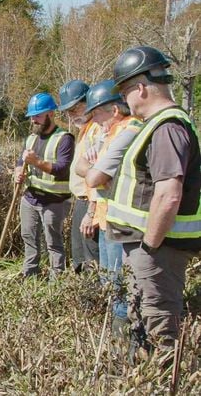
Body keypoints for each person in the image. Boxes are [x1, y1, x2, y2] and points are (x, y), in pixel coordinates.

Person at [106, 46, 201, 356]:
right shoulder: (158, 127)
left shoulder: (167, 129)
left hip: (159, 249)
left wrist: (149, 245)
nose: (125, 100)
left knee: (160, 326)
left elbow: (168, 195)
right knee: (143, 321)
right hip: (153, 248)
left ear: (141, 87)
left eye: (125, 91)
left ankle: (164, 382)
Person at [75, 79, 142, 336]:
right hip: (105, 217)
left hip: (121, 220)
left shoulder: (129, 131)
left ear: (114, 111)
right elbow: (81, 166)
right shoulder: (107, 133)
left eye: (98, 114)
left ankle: (120, 334)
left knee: (118, 283)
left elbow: (93, 177)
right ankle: (110, 331)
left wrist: (95, 171)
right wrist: (95, 169)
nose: (95, 121)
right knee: (108, 279)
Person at [15, 93, 74, 278]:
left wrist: (37, 162)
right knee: (29, 238)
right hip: (31, 198)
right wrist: (18, 171)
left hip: (54, 201)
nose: (34, 120)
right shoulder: (31, 138)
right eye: (32, 116)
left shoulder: (65, 139)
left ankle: (56, 281)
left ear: (50, 114)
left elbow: (62, 169)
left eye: (38, 116)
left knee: (53, 243)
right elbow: (20, 160)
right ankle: (30, 276)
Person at [58, 80, 101, 273]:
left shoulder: (97, 130)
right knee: (80, 257)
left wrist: (92, 213)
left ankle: (95, 300)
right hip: (81, 200)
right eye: (68, 111)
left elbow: (100, 176)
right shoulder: (85, 130)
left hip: (91, 202)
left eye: (76, 108)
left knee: (91, 258)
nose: (72, 114)